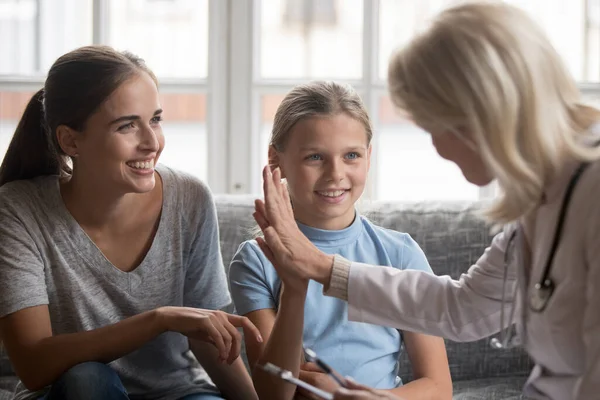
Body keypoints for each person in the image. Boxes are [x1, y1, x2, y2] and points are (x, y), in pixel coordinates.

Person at [251, 3, 600, 400]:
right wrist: (322, 267)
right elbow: (461, 308)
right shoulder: (544, 196)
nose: (435, 146)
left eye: (432, 125)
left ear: (479, 115)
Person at [0, 45, 261, 400]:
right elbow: (34, 364)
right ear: (70, 140)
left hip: (177, 393)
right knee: (87, 380)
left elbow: (211, 340)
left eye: (155, 119)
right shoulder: (19, 209)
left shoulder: (190, 198)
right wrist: (159, 319)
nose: (152, 142)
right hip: (77, 394)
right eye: (127, 126)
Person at [229, 81, 452, 400]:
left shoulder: (400, 254)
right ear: (275, 159)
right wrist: (294, 289)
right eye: (315, 157)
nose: (336, 174)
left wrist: (349, 398)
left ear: (368, 156)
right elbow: (275, 393)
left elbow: (438, 387)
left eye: (351, 155)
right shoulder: (256, 260)